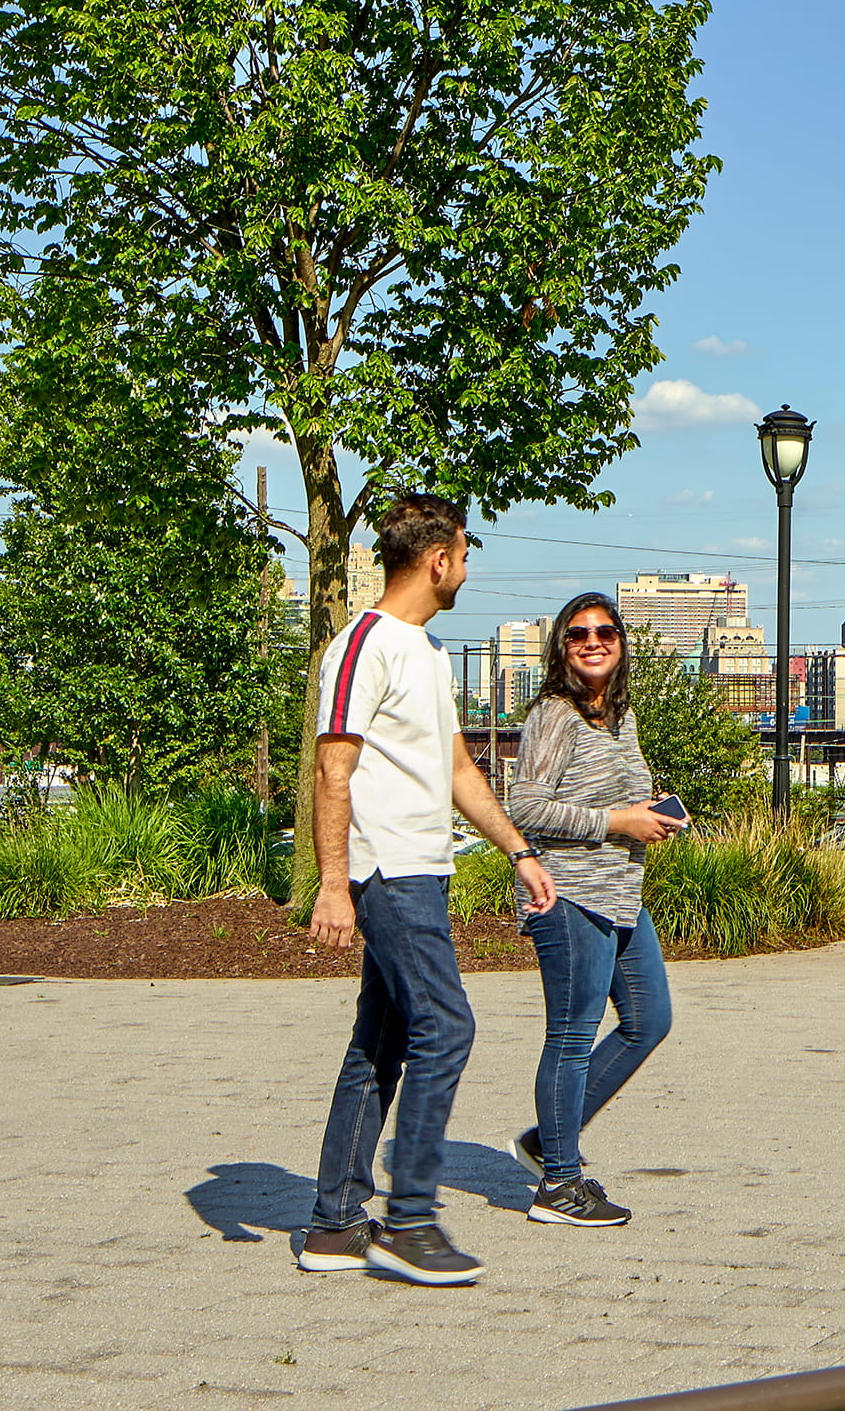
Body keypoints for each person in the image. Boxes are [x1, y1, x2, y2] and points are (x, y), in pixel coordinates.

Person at [296, 493, 557, 1286]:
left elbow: (455, 772)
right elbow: (331, 767)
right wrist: (333, 887)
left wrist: (518, 850)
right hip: (387, 872)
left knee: (380, 1043)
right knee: (447, 1027)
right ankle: (409, 1219)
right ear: (438, 559)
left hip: (422, 869)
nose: (468, 568)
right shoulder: (362, 645)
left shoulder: (427, 653)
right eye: (467, 554)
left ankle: (336, 1223)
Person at [502, 592, 688, 1230]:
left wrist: (653, 812)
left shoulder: (620, 715)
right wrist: (618, 820)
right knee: (573, 1035)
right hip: (569, 893)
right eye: (578, 633)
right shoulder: (555, 714)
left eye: (604, 631)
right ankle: (558, 1184)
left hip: (621, 893)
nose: (592, 641)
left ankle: (546, 1140)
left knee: (648, 1020)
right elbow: (523, 806)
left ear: (620, 641)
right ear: (562, 645)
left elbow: (621, 797)